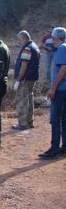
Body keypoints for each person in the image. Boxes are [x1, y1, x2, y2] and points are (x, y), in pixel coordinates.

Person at [39, 27, 66, 159]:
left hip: (61, 90)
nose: (52, 40)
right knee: (64, 119)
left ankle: (54, 149)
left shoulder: (62, 48)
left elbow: (63, 68)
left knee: (55, 120)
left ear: (56, 38)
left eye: (53, 38)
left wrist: (53, 88)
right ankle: (64, 147)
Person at [12, 31, 40, 130]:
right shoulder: (35, 46)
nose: (19, 42)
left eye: (19, 39)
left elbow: (24, 65)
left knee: (22, 100)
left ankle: (23, 124)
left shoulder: (27, 48)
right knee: (29, 99)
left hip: (25, 79)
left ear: (24, 38)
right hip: (32, 78)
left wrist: (18, 80)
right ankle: (29, 122)